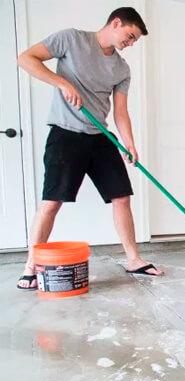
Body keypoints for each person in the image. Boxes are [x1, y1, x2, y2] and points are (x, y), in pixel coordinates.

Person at [16, 7, 164, 290]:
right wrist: (61, 82)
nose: (130, 44)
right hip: (65, 135)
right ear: (116, 23)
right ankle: (31, 266)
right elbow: (26, 58)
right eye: (130, 36)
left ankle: (133, 259)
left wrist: (129, 143)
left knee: (122, 197)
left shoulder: (122, 69)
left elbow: (120, 111)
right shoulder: (71, 39)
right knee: (51, 203)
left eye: (134, 41)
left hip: (100, 136)